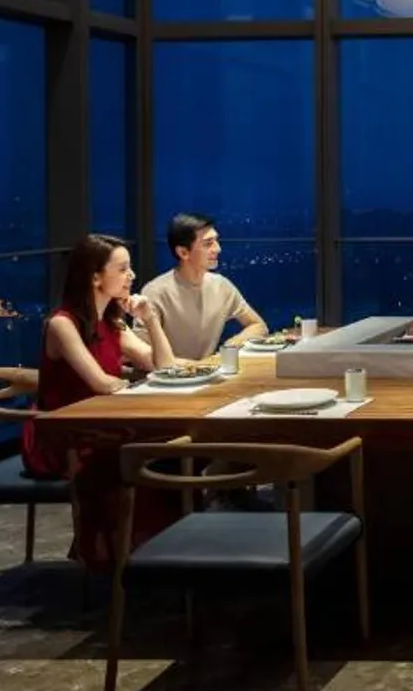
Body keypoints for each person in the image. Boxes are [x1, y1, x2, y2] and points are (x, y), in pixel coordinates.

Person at [22, 233, 181, 570]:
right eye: (123, 269)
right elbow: (101, 383)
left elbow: (164, 367)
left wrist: (150, 319)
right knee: (138, 459)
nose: (131, 276)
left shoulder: (112, 322)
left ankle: (152, 553)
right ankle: (114, 554)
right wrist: (136, 384)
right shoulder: (62, 324)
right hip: (62, 436)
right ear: (95, 277)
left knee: (170, 453)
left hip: (104, 426)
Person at [137, 213, 268, 360]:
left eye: (216, 241)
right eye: (208, 244)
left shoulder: (221, 286)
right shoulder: (155, 292)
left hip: (208, 371)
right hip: (170, 373)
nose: (218, 249)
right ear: (183, 252)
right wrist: (195, 368)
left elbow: (258, 326)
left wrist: (229, 347)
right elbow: (144, 356)